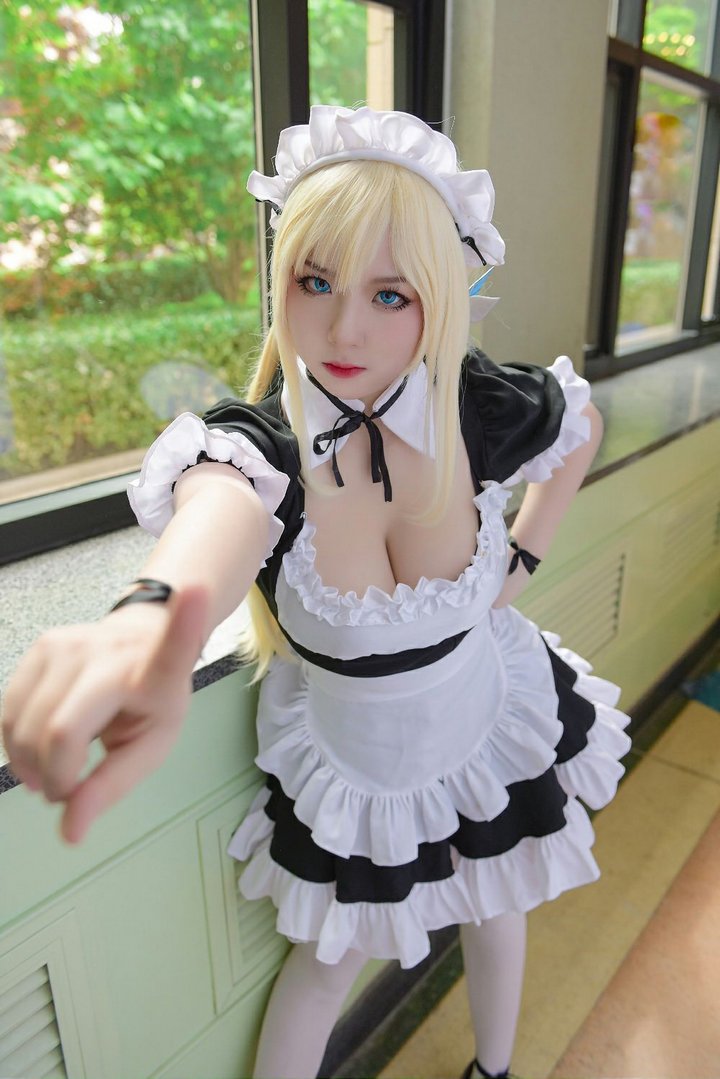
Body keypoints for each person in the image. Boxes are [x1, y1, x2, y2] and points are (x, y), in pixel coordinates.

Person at [2, 105, 631, 1079]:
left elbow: (578, 427)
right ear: (281, 279)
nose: (344, 327)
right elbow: (217, 513)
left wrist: (523, 558)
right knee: (329, 962)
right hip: (362, 770)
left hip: (487, 714)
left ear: (439, 298)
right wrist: (148, 621)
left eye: (390, 293)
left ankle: (495, 1071)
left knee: (498, 902)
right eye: (316, 281)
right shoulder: (265, 447)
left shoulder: (472, 403)